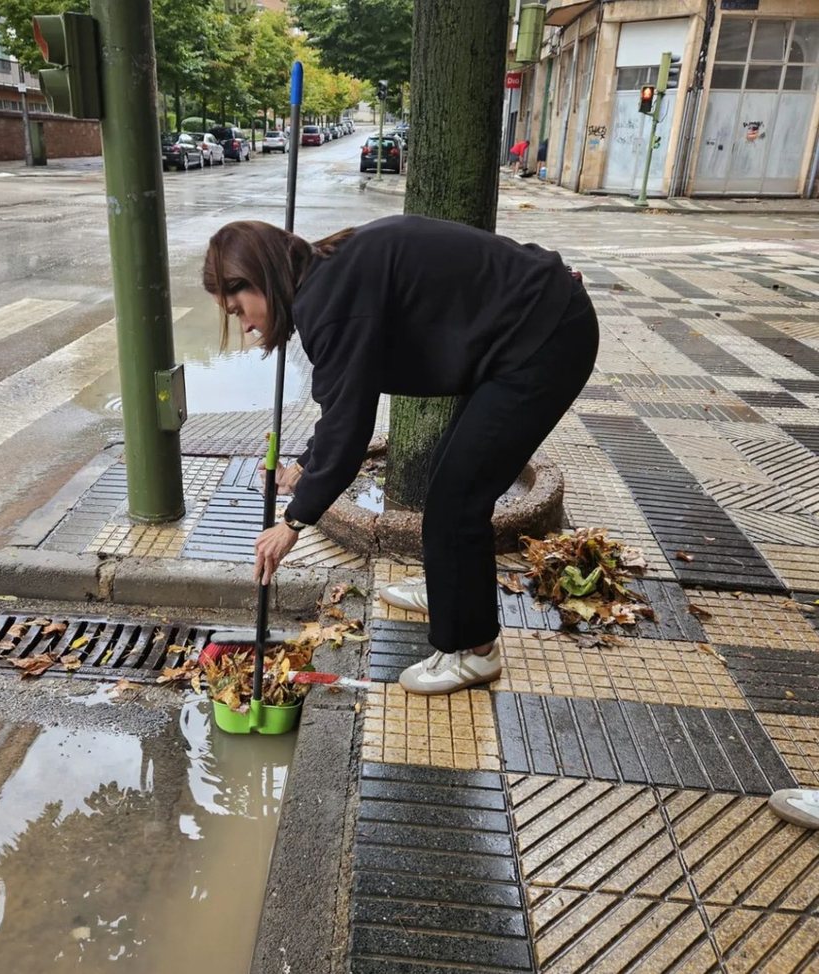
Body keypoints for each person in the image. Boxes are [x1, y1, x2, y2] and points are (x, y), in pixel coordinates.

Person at [201, 215, 599, 695]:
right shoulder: (329, 275)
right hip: (522, 333)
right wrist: (307, 465)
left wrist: (293, 523)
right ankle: (447, 590)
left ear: (261, 280)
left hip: (546, 336)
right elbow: (340, 406)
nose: (244, 325)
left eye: (238, 308)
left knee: (458, 499)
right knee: (448, 475)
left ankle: (474, 651)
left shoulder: (331, 303)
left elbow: (348, 428)